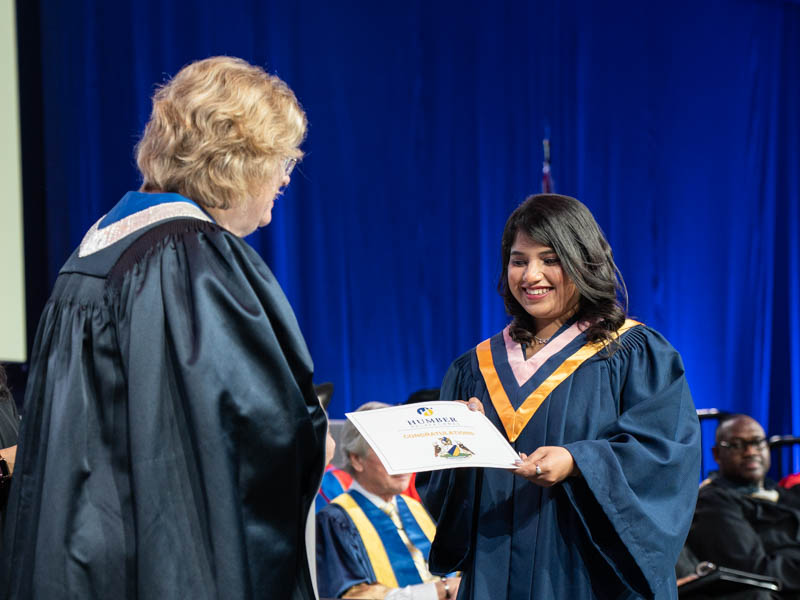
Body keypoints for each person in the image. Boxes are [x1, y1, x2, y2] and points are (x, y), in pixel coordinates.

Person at [0, 57, 327, 599]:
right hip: (164, 567)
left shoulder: (92, 252)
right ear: (238, 160)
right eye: (280, 158)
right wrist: (310, 437)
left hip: (82, 561)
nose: (286, 176)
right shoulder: (194, 258)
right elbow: (257, 433)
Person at [416, 193, 701, 599]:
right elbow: (441, 494)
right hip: (493, 576)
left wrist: (577, 460)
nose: (531, 275)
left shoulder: (633, 353)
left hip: (587, 575)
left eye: (550, 259)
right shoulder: (474, 369)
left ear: (585, 262)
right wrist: (459, 439)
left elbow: (667, 455)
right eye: (519, 260)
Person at [316, 402, 461, 600]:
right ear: (357, 459)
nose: (402, 462)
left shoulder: (415, 508)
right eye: (388, 451)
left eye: (405, 449)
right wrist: (438, 591)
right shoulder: (335, 520)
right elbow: (350, 595)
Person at [686, 414, 800, 597]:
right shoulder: (713, 502)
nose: (750, 452)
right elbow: (755, 569)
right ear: (716, 454)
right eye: (737, 445)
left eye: (757, 442)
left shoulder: (787, 494)